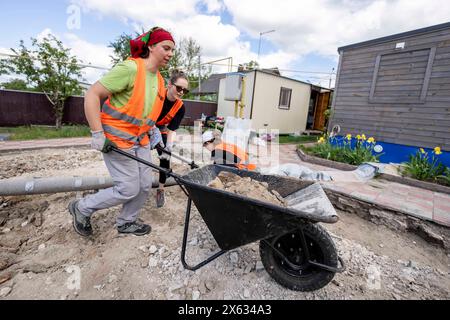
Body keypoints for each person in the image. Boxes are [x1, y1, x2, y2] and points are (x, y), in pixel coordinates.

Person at [68, 27, 175, 237]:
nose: (170, 54)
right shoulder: (130, 69)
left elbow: (143, 110)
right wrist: (98, 134)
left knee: (144, 185)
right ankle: (82, 207)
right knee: (128, 188)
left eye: (172, 50)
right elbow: (92, 94)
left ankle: (127, 221)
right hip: (116, 139)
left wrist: (152, 130)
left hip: (140, 140)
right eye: (166, 48)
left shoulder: (160, 80)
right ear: (151, 47)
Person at [155, 69, 189, 207]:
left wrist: (168, 146)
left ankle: (160, 189)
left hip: (161, 129)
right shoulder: (156, 95)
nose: (181, 92)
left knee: (165, 156)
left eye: (184, 90)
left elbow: (171, 129)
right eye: (179, 88)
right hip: (144, 127)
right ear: (169, 84)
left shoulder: (180, 107)